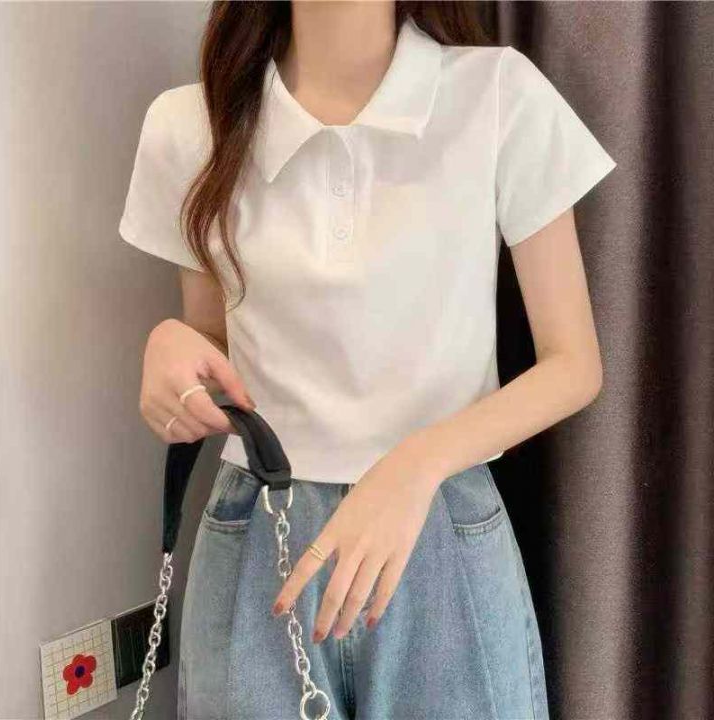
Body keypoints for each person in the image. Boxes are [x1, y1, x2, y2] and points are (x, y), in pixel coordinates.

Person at [119, 2, 617, 718]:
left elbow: (574, 364)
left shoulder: (496, 94)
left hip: (440, 533)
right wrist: (171, 345)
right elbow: (213, 343)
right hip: (261, 538)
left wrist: (416, 464)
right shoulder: (190, 123)